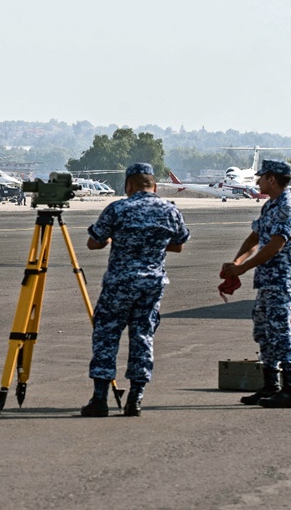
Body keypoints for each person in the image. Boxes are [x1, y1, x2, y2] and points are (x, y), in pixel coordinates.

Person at [81, 163, 190, 417]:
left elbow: (93, 243)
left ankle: (99, 399)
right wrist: (151, 246)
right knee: (142, 337)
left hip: (120, 283)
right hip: (151, 284)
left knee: (107, 336)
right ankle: (135, 399)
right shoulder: (169, 210)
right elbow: (178, 245)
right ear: (154, 185)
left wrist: (114, 240)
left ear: (129, 185)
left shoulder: (118, 208)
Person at [220, 159, 291, 409]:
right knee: (264, 331)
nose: (257, 181)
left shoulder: (288, 207)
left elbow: (275, 245)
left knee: (280, 331)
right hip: (267, 281)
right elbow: (256, 236)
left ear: (271, 179)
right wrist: (236, 262)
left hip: (282, 280)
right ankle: (271, 385)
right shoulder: (270, 207)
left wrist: (242, 268)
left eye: (261, 177)